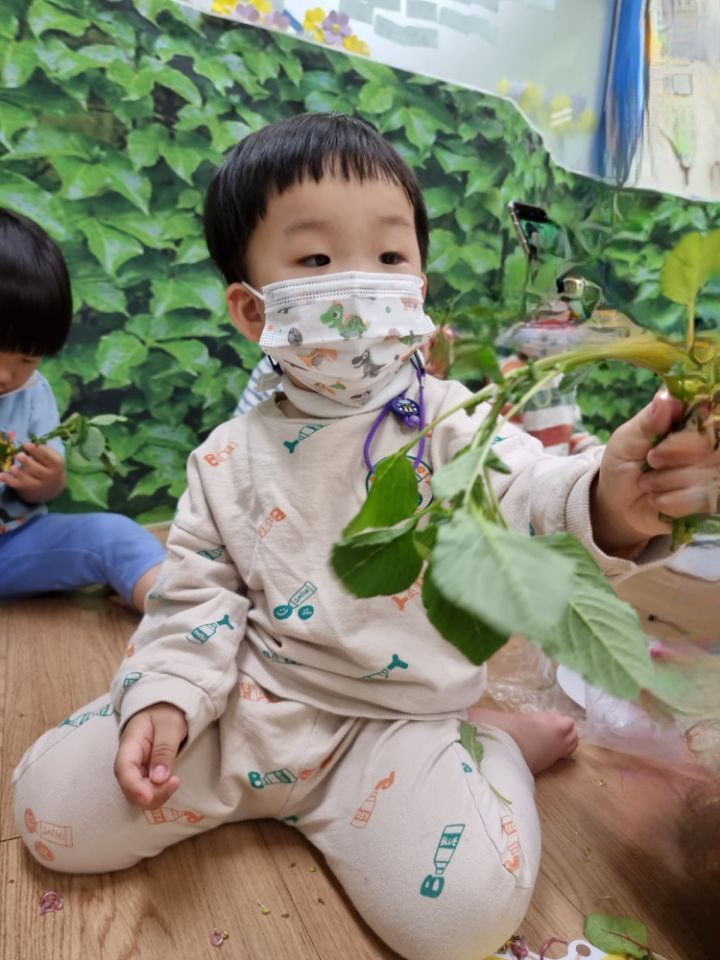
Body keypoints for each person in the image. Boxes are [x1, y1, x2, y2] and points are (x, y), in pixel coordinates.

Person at [12, 114, 720, 960]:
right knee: (52, 813)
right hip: (252, 704)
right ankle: (280, 768)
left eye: (389, 256)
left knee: (459, 921)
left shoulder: (455, 422)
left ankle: (488, 742)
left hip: (401, 726)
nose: (360, 283)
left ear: (417, 286)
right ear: (253, 310)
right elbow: (192, 599)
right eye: (316, 260)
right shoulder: (226, 456)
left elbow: (536, 494)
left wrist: (614, 497)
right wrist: (165, 698)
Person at [0, 209, 165, 612]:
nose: (6, 375)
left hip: (13, 548)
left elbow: (44, 493)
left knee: (111, 537)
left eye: (27, 359)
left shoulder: (32, 393)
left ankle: (183, 612)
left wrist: (45, 480)